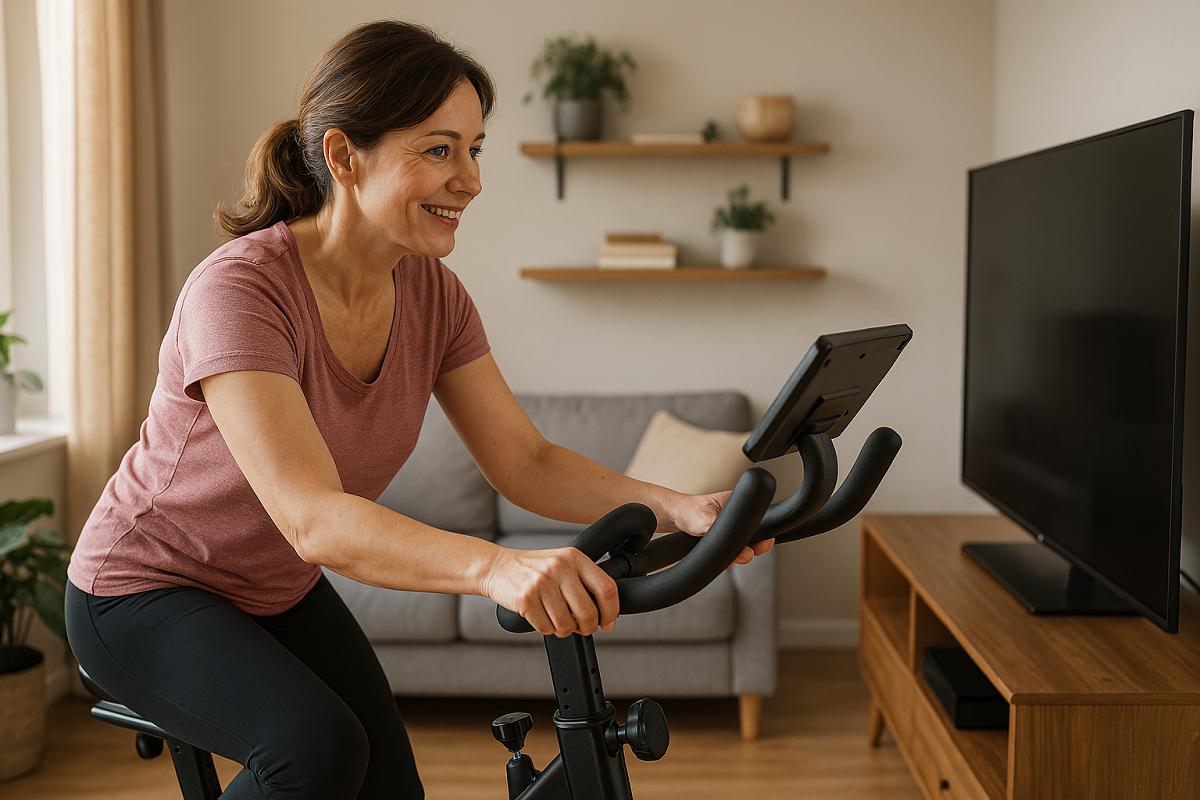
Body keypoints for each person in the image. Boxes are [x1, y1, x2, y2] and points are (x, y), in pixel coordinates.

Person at [64, 19, 773, 800]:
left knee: (390, 786)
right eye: (438, 150)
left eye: (474, 150)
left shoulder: (434, 295)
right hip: (144, 589)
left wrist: (678, 508)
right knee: (317, 752)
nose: (470, 180)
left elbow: (526, 460)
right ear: (344, 157)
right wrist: (495, 567)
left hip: (274, 589)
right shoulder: (240, 292)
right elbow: (313, 519)